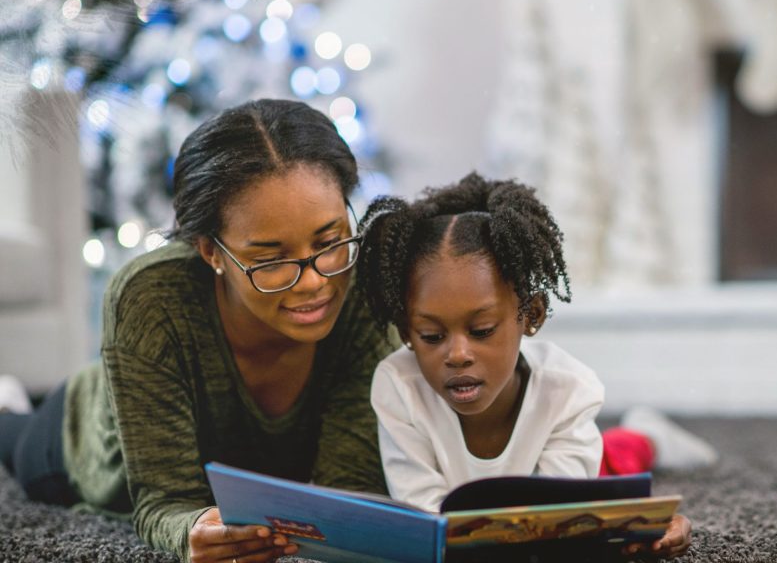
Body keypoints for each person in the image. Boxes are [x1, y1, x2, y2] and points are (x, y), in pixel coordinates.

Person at [0, 99, 398, 563]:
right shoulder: (152, 297)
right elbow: (162, 501)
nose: (314, 281)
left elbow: (344, 493)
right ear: (210, 251)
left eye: (329, 242)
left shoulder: (365, 288)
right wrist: (191, 529)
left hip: (253, 466)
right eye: (270, 259)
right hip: (78, 436)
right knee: (12, 439)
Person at [358, 173, 705, 559]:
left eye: (482, 330)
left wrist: (649, 524)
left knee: (619, 454)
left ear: (532, 315)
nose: (457, 354)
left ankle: (649, 433)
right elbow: (423, 518)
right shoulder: (397, 385)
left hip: (575, 467)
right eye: (431, 336)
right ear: (407, 332)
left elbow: (561, 524)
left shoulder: (568, 389)